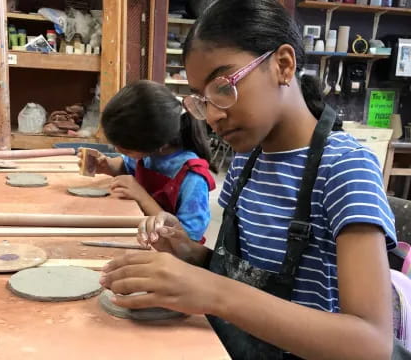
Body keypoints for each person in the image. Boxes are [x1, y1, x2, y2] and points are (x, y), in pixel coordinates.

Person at [99, 0, 399, 359]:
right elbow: (246, 276)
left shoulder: (345, 170)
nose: (211, 116)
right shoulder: (246, 162)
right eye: (201, 100)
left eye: (223, 89)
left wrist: (213, 292)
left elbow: (371, 343)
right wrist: (187, 251)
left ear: (283, 65)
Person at [79, 80, 216, 242]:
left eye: (126, 149)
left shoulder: (193, 177)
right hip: (143, 237)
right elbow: (127, 165)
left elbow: (188, 239)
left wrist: (142, 197)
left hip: (172, 257)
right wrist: (107, 165)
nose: (117, 151)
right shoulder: (150, 154)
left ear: (159, 144)